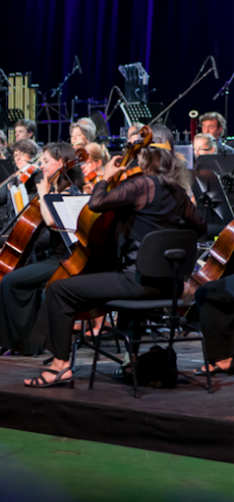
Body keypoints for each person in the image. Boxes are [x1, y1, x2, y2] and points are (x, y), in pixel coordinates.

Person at [27, 144, 206, 387]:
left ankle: (60, 366)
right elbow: (200, 227)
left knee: (60, 289)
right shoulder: (178, 194)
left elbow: (97, 203)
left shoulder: (142, 185)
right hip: (169, 286)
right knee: (120, 290)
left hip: (137, 282)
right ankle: (129, 360)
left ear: (146, 166)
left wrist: (105, 177)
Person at [0, 143, 85, 356]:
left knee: (8, 281)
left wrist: (42, 195)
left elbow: (51, 222)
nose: (41, 165)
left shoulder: (69, 193)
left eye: (46, 161)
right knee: (21, 282)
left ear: (60, 163)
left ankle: (8, 342)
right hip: (51, 257)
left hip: (63, 260)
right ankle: (26, 343)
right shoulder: (58, 190)